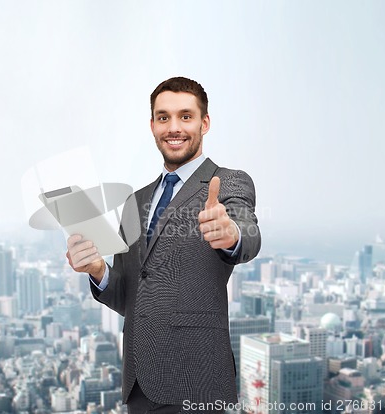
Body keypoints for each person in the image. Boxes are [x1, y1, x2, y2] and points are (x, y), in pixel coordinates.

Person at [67, 77, 261, 413]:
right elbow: (128, 295)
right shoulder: (135, 201)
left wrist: (230, 233)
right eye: (163, 117)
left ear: (205, 123)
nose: (174, 127)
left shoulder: (229, 181)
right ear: (153, 125)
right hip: (139, 382)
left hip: (195, 381)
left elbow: (248, 234)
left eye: (186, 116)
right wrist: (97, 269)